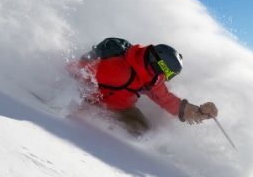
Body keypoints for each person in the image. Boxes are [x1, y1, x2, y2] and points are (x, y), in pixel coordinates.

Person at [67, 42, 218, 135]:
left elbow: (168, 101)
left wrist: (199, 112)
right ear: (156, 63)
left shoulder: (151, 81)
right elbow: (75, 70)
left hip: (121, 109)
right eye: (167, 73)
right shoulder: (120, 71)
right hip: (91, 101)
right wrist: (65, 92)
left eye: (170, 76)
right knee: (135, 132)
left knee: (145, 133)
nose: (165, 78)